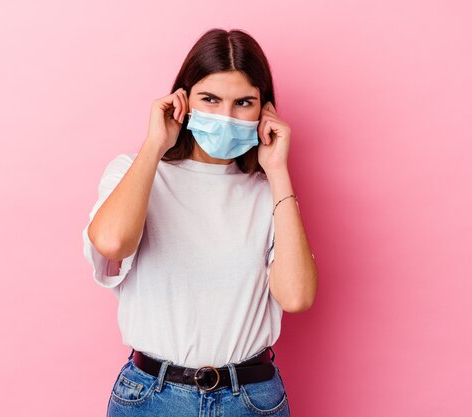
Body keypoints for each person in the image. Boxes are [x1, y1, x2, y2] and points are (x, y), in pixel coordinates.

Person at [82, 28, 317, 417]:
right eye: (210, 99)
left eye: (243, 102)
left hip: (251, 400)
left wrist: (277, 172)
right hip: (151, 397)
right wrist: (155, 145)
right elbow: (111, 242)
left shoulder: (269, 194)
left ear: (265, 111)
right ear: (183, 100)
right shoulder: (135, 172)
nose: (225, 117)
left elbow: (297, 297)